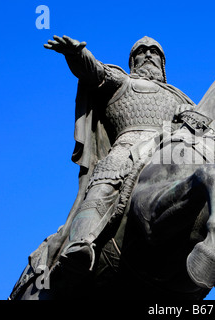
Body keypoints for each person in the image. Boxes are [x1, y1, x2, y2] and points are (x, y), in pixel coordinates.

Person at [43, 35, 195, 277]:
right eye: (142, 51)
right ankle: (79, 245)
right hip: (129, 146)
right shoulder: (123, 81)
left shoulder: (181, 97)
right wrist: (77, 55)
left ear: (162, 62)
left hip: (171, 151)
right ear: (133, 60)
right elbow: (94, 71)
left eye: (154, 52)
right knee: (104, 181)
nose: (148, 55)